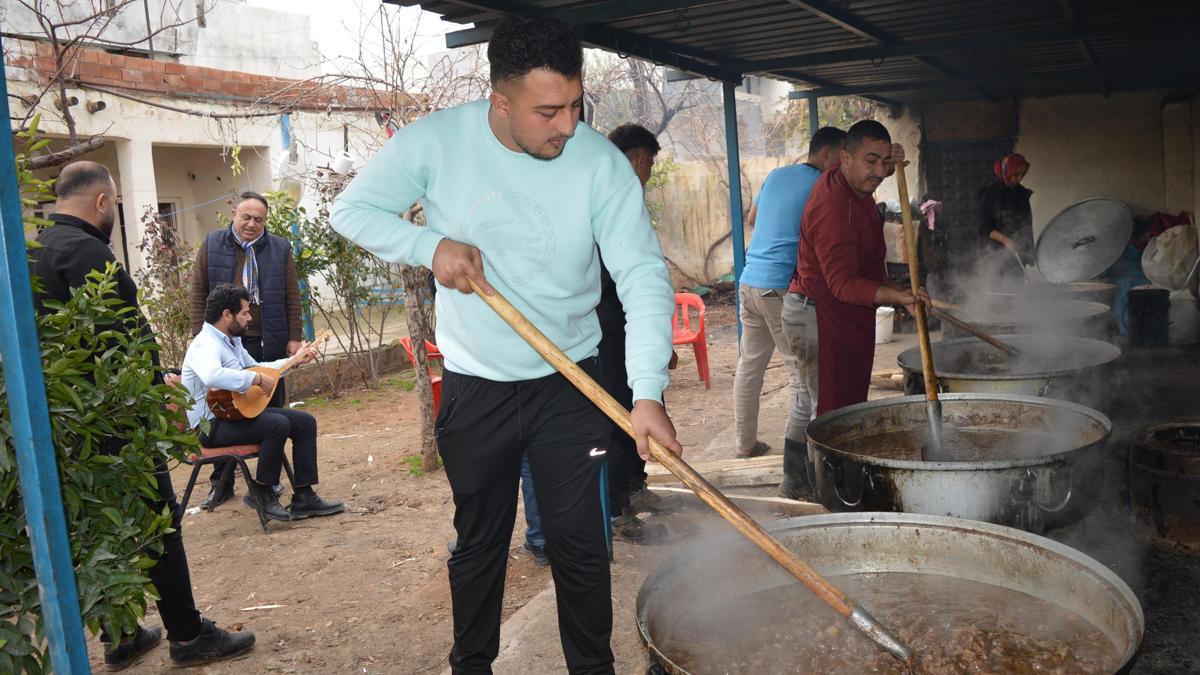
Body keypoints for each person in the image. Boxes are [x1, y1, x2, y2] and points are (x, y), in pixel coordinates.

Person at [329, 13, 680, 674]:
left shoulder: (599, 165)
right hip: (475, 382)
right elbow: (350, 211)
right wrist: (430, 247)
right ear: (499, 100)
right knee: (480, 541)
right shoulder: (434, 144)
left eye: (576, 105)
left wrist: (647, 391)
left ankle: (592, 668)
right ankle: (472, 664)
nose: (567, 126)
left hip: (570, 383)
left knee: (580, 544)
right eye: (549, 111)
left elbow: (641, 274)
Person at [29, 161, 256, 669]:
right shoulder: (90, 252)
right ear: (103, 203)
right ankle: (188, 634)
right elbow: (119, 342)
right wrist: (156, 391)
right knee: (157, 523)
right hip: (116, 419)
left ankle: (121, 633)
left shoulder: (34, 251)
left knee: (97, 526)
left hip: (68, 421)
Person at [779, 122, 923, 499]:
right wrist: (897, 296)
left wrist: (893, 163)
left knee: (811, 399)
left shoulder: (846, 177)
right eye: (870, 161)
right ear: (845, 159)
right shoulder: (834, 207)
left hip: (826, 310)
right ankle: (822, 488)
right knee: (826, 411)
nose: (879, 172)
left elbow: (876, 166)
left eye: (883, 162)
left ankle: (798, 481)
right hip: (818, 314)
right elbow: (842, 284)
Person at [180, 284, 344, 523]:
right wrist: (254, 378)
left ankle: (304, 497)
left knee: (304, 422)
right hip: (211, 427)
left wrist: (294, 361)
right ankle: (263, 492)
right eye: (245, 312)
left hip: (233, 416)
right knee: (276, 424)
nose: (249, 318)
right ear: (227, 315)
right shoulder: (204, 344)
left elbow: (261, 369)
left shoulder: (231, 341)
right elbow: (213, 376)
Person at [733, 126, 846, 462]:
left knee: (749, 366)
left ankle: (745, 444)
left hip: (750, 281)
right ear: (825, 155)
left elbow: (752, 219)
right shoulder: (821, 185)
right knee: (800, 374)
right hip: (778, 287)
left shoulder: (777, 174)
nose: (844, 165)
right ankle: (799, 462)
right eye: (842, 157)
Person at [189, 191, 305, 510]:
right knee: (224, 406)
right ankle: (221, 483)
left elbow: (292, 295)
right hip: (227, 336)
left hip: (268, 335)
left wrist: (294, 337)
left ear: (265, 221)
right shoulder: (213, 244)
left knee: (269, 404)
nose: (251, 224)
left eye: (258, 219)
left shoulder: (279, 248)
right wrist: (200, 334)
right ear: (234, 215)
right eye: (246, 217)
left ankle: (270, 477)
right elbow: (198, 290)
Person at [600, 123, 682, 545]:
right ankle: (616, 512)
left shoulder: (626, 203)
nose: (648, 173)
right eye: (649, 163)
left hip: (631, 331)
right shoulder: (598, 198)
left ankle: (635, 488)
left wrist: (655, 343)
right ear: (635, 160)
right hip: (607, 337)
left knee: (647, 405)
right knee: (617, 420)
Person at [978, 153, 1033, 281]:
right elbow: (985, 227)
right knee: (1000, 293)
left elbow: (1026, 225)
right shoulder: (990, 193)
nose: (1019, 178)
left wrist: (1028, 253)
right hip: (994, 254)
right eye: (1016, 174)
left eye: (1022, 174)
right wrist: (1006, 240)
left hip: (1017, 254)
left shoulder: (1022, 193)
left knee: (1016, 290)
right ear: (1006, 172)